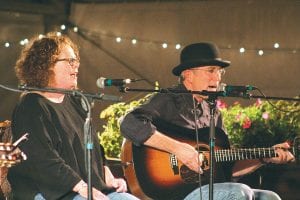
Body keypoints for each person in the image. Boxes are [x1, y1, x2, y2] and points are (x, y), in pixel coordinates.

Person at [120, 42, 295, 200]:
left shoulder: (213, 112)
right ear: (188, 75)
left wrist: (264, 158)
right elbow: (130, 123)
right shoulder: (169, 99)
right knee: (240, 192)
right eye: (211, 70)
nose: (217, 78)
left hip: (207, 190)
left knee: (269, 197)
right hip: (174, 193)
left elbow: (228, 171)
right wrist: (178, 149)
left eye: (220, 72)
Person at [8, 32, 140, 200]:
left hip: (84, 190)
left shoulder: (77, 102)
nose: (76, 66)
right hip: (51, 192)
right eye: (70, 61)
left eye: (76, 60)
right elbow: (42, 159)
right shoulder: (31, 106)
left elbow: (94, 152)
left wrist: (109, 178)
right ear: (46, 65)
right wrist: (82, 188)